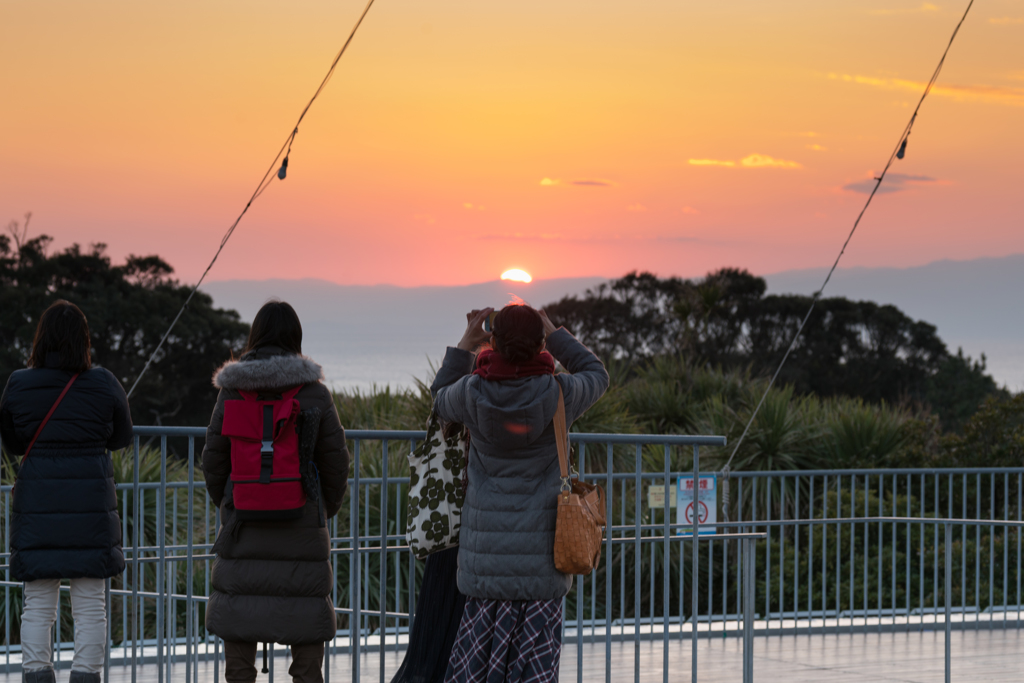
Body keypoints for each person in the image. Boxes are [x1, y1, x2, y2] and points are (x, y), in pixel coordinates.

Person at [431, 304, 609, 683]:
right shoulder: (561, 394)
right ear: (540, 344)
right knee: (534, 673)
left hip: (485, 569)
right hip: (542, 567)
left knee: (479, 672)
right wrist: (556, 333)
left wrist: (467, 341)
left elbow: (439, 398)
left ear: (492, 341)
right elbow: (597, 374)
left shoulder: (470, 392)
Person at [201, 301, 349, 683]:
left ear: (255, 337)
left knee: (239, 633)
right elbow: (335, 462)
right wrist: (320, 509)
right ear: (295, 339)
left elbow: (213, 460)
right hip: (301, 525)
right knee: (306, 639)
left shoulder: (232, 392)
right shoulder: (313, 393)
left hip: (243, 526)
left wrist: (233, 501)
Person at [0, 301, 132, 683]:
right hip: (90, 506)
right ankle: (86, 676)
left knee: (38, 604)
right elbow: (122, 436)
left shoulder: (19, 383)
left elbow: (12, 441)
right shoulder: (103, 381)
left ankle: (36, 675)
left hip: (38, 504)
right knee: (90, 605)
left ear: (41, 339)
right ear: (83, 341)